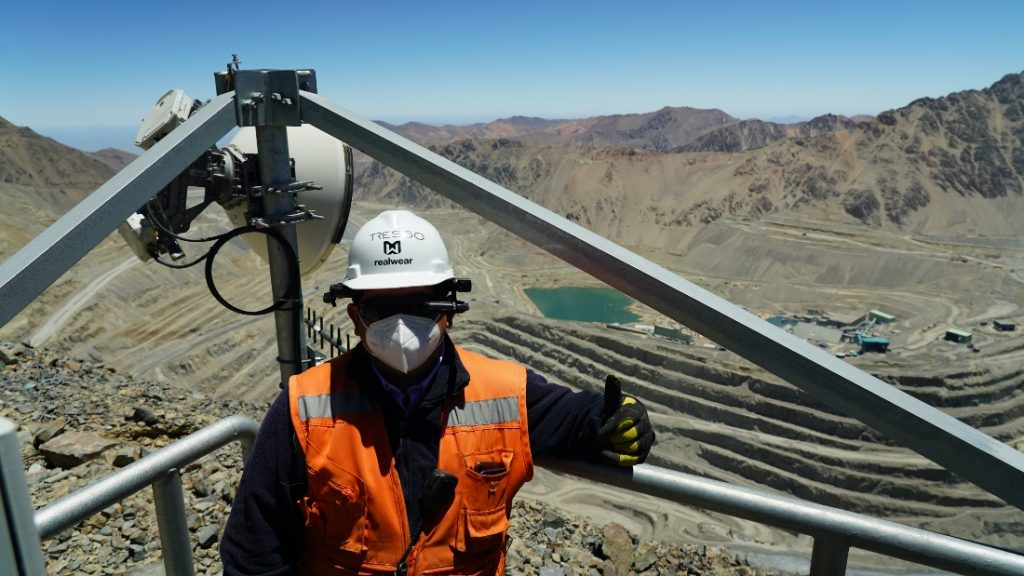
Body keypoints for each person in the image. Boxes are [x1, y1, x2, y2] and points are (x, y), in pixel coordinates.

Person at [220, 209, 655, 575]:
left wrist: (620, 420)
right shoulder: (304, 407)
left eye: (420, 305)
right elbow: (254, 547)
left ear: (450, 311)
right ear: (355, 316)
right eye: (383, 308)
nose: (403, 325)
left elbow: (582, 417)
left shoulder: (503, 393)